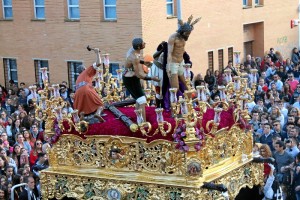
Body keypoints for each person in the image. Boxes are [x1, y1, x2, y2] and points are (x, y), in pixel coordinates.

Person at [123, 38, 160, 122]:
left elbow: (136, 60)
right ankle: (143, 123)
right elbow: (139, 74)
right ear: (139, 46)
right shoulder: (134, 57)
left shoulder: (133, 50)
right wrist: (152, 78)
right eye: (143, 43)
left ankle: (139, 120)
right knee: (142, 99)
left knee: (138, 99)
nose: (145, 44)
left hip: (130, 76)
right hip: (130, 79)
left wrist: (144, 62)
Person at [167, 15, 200, 91]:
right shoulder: (173, 38)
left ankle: (189, 101)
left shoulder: (184, 38)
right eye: (187, 33)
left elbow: (182, 50)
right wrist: (168, 66)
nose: (188, 35)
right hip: (173, 63)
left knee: (187, 84)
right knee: (175, 88)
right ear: (182, 32)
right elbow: (169, 53)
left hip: (181, 62)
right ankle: (175, 102)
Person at [73, 48, 105, 122]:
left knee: (81, 109)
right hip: (86, 89)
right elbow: (99, 63)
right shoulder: (86, 71)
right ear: (84, 69)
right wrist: (97, 53)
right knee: (100, 104)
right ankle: (98, 113)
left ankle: (82, 116)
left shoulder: (77, 79)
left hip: (77, 94)